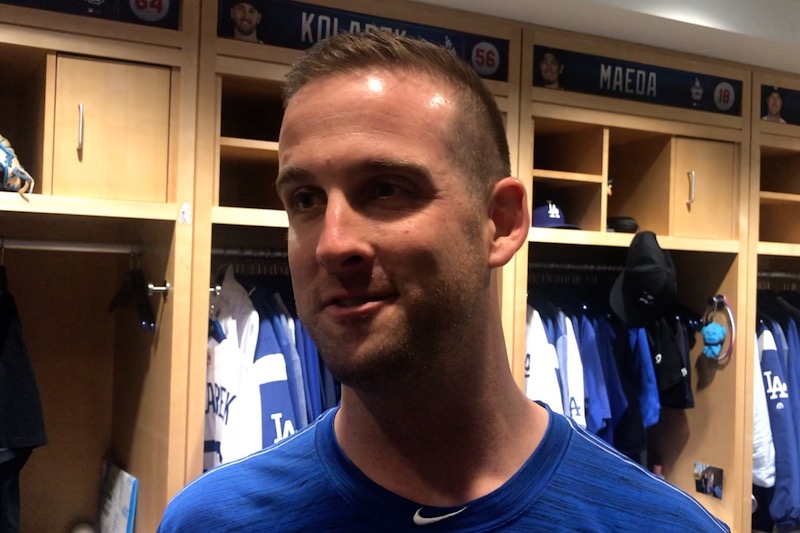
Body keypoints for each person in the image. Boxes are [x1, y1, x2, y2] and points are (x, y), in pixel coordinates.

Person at [158, 31, 730, 532]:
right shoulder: (209, 522)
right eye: (304, 199)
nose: (332, 244)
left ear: (500, 223)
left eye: (385, 189)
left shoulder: (661, 526)